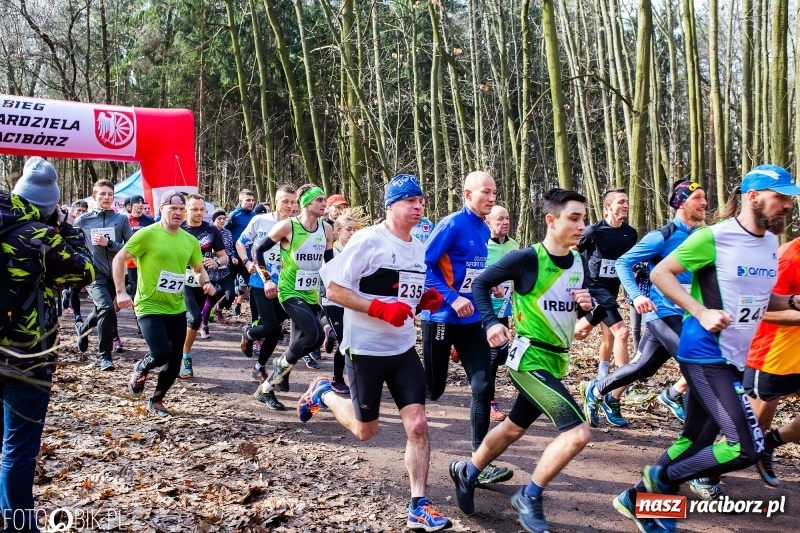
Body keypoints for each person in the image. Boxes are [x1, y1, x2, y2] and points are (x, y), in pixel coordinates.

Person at [614, 165, 800, 533]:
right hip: (704, 353)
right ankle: (661, 479)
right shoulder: (714, 236)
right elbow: (660, 273)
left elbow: (761, 299)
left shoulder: (768, 243)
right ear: (752, 196)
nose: (788, 205)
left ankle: (637, 500)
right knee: (745, 447)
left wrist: (793, 300)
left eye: (790, 199)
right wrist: (700, 310)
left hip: (736, 358)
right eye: (780, 197)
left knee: (696, 439)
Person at [297, 174, 451, 532]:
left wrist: (422, 300)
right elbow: (334, 289)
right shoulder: (369, 240)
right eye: (410, 200)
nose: (418, 206)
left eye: (421, 200)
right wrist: (379, 309)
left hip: (402, 349)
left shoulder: (418, 247)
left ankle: (418, 505)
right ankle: (324, 393)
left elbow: (404, 292)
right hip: (365, 350)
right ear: (391, 206)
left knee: (418, 425)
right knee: (365, 431)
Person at [449, 188, 593, 533]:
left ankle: (468, 471)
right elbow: (481, 284)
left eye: (584, 220)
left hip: (556, 361)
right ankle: (529, 496)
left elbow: (567, 310)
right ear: (551, 220)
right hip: (528, 360)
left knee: (513, 427)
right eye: (574, 218)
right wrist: (491, 322)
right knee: (578, 433)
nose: (581, 226)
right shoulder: (528, 257)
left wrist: (585, 310)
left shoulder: (578, 262)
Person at [0, 157, 94, 532]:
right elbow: (84, 271)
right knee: (18, 447)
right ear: (50, 204)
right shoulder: (41, 236)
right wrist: (66, 228)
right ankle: (20, 527)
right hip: (27, 356)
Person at [581, 181, 706, 425]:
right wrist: (637, 295)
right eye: (697, 197)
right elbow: (623, 263)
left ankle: (597, 390)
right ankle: (679, 403)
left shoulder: (701, 236)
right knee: (698, 358)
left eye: (704, 197)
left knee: (642, 367)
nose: (704, 202)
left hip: (687, 312)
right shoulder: (661, 236)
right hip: (663, 311)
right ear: (680, 203)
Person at [421, 171, 512, 486]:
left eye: (494, 192)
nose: (491, 197)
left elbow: (472, 269)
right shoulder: (452, 225)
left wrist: (489, 284)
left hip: (472, 321)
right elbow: (423, 266)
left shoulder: (484, 229)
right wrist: (452, 297)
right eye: (485, 192)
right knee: (434, 390)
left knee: (483, 386)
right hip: (441, 318)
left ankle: (478, 462)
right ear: (468, 194)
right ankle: (390, 376)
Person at [114, 190, 214, 417]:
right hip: (149, 305)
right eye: (173, 208)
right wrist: (120, 292)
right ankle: (141, 367)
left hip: (176, 307)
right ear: (161, 209)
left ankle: (157, 400)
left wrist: (206, 282)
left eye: (181, 209)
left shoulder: (190, 241)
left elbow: (198, 269)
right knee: (160, 354)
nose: (178, 213)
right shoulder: (147, 234)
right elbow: (120, 258)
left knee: (175, 360)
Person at [252, 184, 333, 404]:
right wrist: (267, 279)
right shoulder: (288, 226)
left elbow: (330, 262)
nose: (324, 203)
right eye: (319, 200)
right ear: (306, 202)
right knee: (315, 336)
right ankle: (280, 364)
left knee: (296, 347)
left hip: (311, 294)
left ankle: (265, 389)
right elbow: (257, 250)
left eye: (324, 200)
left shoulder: (326, 229)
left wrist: (335, 285)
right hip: (289, 292)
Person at [573, 188, 638, 427]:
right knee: (622, 332)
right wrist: (576, 280)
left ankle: (602, 375)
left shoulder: (630, 234)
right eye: (620, 202)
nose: (625, 205)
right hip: (593, 288)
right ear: (608, 206)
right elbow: (572, 251)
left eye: (627, 201)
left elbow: (629, 261)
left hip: (611, 291)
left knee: (594, 334)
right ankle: (619, 387)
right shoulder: (594, 230)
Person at [744, 236, 800, 487]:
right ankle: (705, 473)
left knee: (759, 437)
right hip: (772, 355)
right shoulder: (788, 258)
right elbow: (759, 309)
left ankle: (768, 445)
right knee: (754, 428)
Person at [236, 185, 297, 410]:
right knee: (271, 327)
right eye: (285, 201)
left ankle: (258, 364)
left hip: (286, 284)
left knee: (276, 328)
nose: (289, 206)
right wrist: (247, 262)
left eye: (293, 202)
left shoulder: (296, 224)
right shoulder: (259, 221)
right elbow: (240, 243)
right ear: (276, 201)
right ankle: (250, 334)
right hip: (261, 281)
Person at [74, 179, 133, 371]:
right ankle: (105, 357)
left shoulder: (121, 220)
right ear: (94, 196)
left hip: (116, 274)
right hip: (94, 273)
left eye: (110, 194)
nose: (107, 197)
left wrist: (110, 244)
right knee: (106, 308)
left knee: (103, 310)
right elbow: (73, 244)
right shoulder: (83, 220)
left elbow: (131, 248)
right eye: (102, 194)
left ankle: (82, 330)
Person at [179, 195, 227, 377]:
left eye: (202, 210)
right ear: (186, 210)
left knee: (192, 320)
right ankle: (185, 356)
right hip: (180, 280)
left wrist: (216, 262)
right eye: (194, 209)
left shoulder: (211, 230)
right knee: (194, 319)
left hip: (202, 280)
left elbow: (223, 256)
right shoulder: (178, 228)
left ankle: (181, 350)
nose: (199, 213)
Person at [484, 205, 519, 421]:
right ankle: (489, 401)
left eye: (507, 218)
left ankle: (462, 348)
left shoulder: (514, 246)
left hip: (504, 308)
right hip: (483, 310)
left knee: (501, 356)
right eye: (499, 219)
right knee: (492, 356)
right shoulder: (482, 245)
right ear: (487, 222)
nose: (505, 222)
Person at [320, 211, 361, 394]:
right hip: (333, 303)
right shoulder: (332, 252)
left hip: (350, 302)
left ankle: (330, 331)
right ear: (337, 231)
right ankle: (337, 379)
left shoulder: (356, 251)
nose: (352, 233)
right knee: (346, 341)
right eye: (348, 229)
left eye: (354, 229)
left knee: (354, 338)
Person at [125, 194, 155, 333]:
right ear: (131, 206)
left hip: (147, 261)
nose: (140, 204)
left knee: (148, 291)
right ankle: (139, 322)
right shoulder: (125, 220)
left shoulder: (149, 220)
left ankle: (149, 320)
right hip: (130, 263)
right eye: (137, 202)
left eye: (142, 202)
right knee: (136, 291)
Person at [225, 189, 257, 316]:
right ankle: (217, 308)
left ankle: (255, 318)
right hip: (234, 258)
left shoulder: (255, 216)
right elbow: (224, 233)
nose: (251, 202)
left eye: (253, 200)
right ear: (240, 201)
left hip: (247, 260)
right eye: (248, 200)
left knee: (254, 287)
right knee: (226, 291)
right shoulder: (234, 215)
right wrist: (231, 250)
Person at [203, 210, 236, 326]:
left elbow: (229, 250)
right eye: (219, 219)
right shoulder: (207, 232)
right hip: (210, 270)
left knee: (231, 295)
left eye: (224, 219)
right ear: (214, 220)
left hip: (224, 270)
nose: (222, 221)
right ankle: (204, 323)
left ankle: (219, 308)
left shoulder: (227, 233)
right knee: (209, 298)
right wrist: (212, 252)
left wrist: (232, 257)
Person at [61, 200, 90, 317]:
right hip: (68, 259)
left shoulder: (88, 224)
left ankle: (77, 317)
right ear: (73, 211)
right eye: (79, 210)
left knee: (75, 288)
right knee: (72, 287)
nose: (81, 213)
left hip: (83, 259)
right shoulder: (67, 224)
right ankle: (77, 317)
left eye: (84, 211)